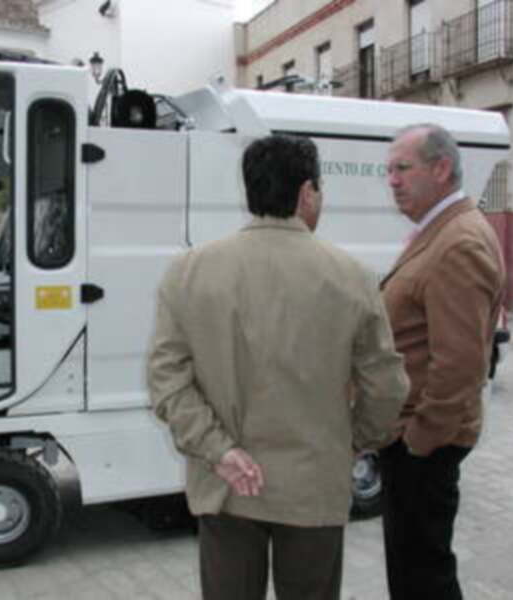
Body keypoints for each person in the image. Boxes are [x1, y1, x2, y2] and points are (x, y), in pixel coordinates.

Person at [148, 134, 409, 600]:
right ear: (307, 192)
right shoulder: (353, 277)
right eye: (320, 188)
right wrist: (353, 441)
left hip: (226, 485)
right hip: (313, 487)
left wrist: (219, 449)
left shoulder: (188, 271)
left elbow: (167, 380)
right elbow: (387, 387)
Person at [380, 123, 506, 600]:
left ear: (441, 168)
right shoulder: (439, 230)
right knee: (414, 570)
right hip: (413, 438)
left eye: (402, 168)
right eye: (388, 170)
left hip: (424, 444)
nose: (392, 179)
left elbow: (460, 364)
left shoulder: (459, 243)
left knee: (423, 577)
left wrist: (419, 440)